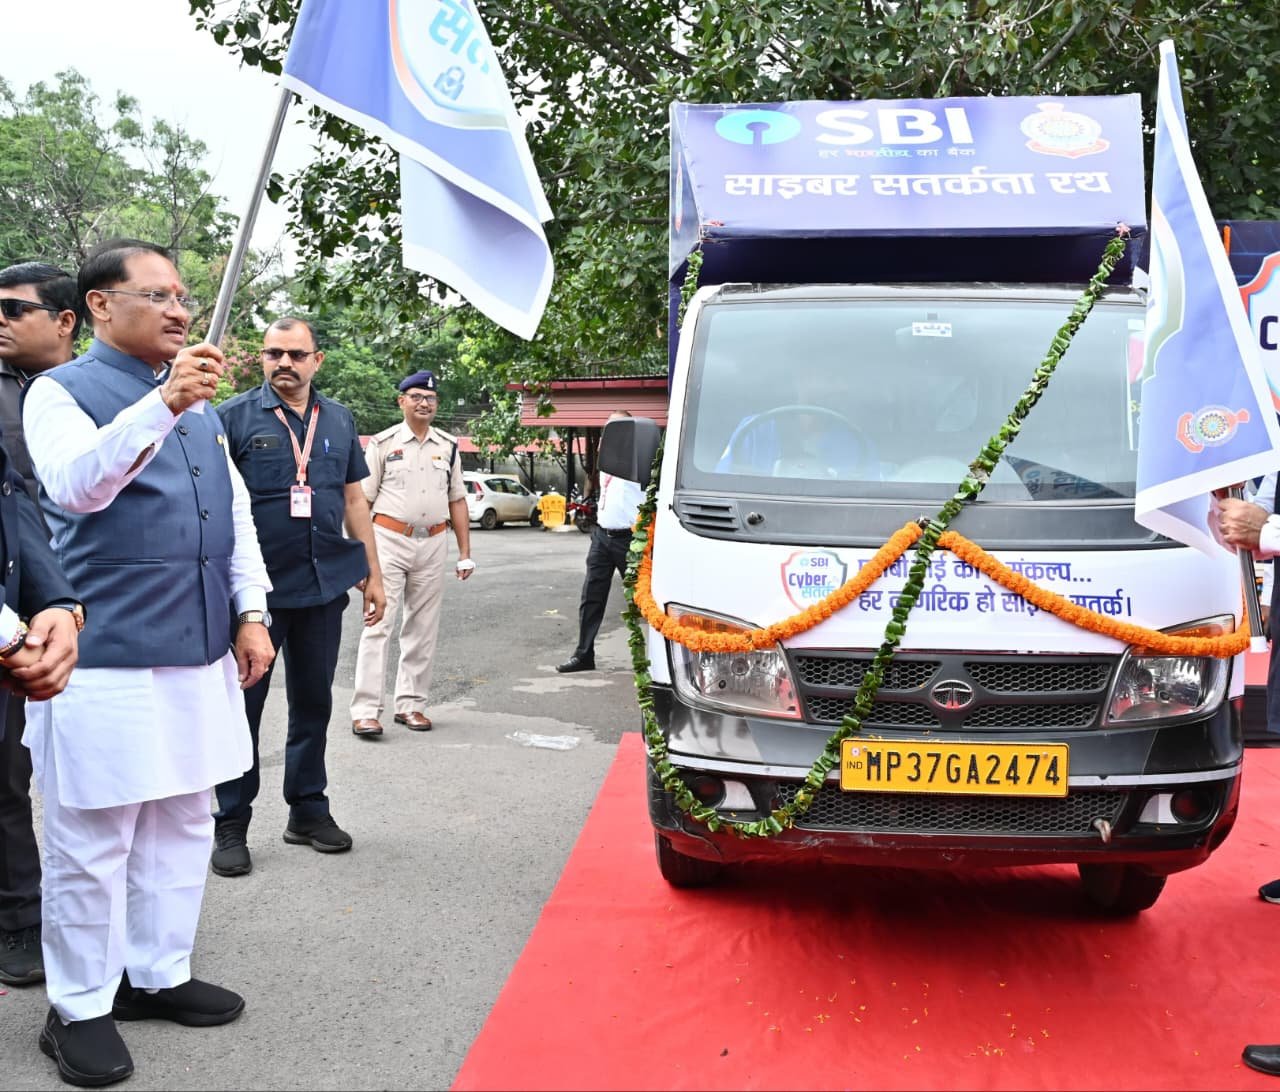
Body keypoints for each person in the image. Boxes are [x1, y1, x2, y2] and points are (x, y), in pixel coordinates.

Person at [22, 238, 274, 1087]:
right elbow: (75, 485)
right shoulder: (61, 392)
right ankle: (78, 1007)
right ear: (99, 304)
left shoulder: (201, 405)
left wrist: (251, 612)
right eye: (157, 294)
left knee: (184, 822)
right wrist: (163, 403)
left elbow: (234, 518)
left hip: (198, 651)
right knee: (93, 841)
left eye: (182, 296)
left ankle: (156, 973)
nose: (178, 309)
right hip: (104, 657)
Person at [211, 317, 386, 877]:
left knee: (314, 703)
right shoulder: (231, 418)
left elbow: (354, 501)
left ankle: (308, 809)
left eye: (296, 354)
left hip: (322, 588)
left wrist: (373, 573)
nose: (284, 363)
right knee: (243, 710)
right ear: (262, 358)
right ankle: (230, 821)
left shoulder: (339, 419)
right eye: (273, 353)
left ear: (317, 360)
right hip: (254, 598)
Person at [0, 261, 81, 989]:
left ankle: (92, 905)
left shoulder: (103, 392)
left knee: (86, 766)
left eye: (12, 308)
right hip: (16, 604)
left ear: (65, 320)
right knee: (8, 770)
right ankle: (21, 915)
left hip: (83, 604)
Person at [350, 370, 472, 735]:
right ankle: (366, 710)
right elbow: (361, 501)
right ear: (401, 401)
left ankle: (411, 705)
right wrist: (360, 558)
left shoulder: (448, 446)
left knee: (423, 628)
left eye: (430, 398)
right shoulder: (383, 444)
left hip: (433, 542)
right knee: (378, 623)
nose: (424, 403)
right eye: (416, 397)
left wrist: (465, 552)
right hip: (387, 540)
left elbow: (457, 500)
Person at [557, 412, 644, 674]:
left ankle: (661, 661)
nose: (608, 434)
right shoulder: (605, 461)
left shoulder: (640, 460)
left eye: (615, 428)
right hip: (602, 536)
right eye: (607, 428)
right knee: (591, 597)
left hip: (630, 540)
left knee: (643, 600)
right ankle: (584, 655)